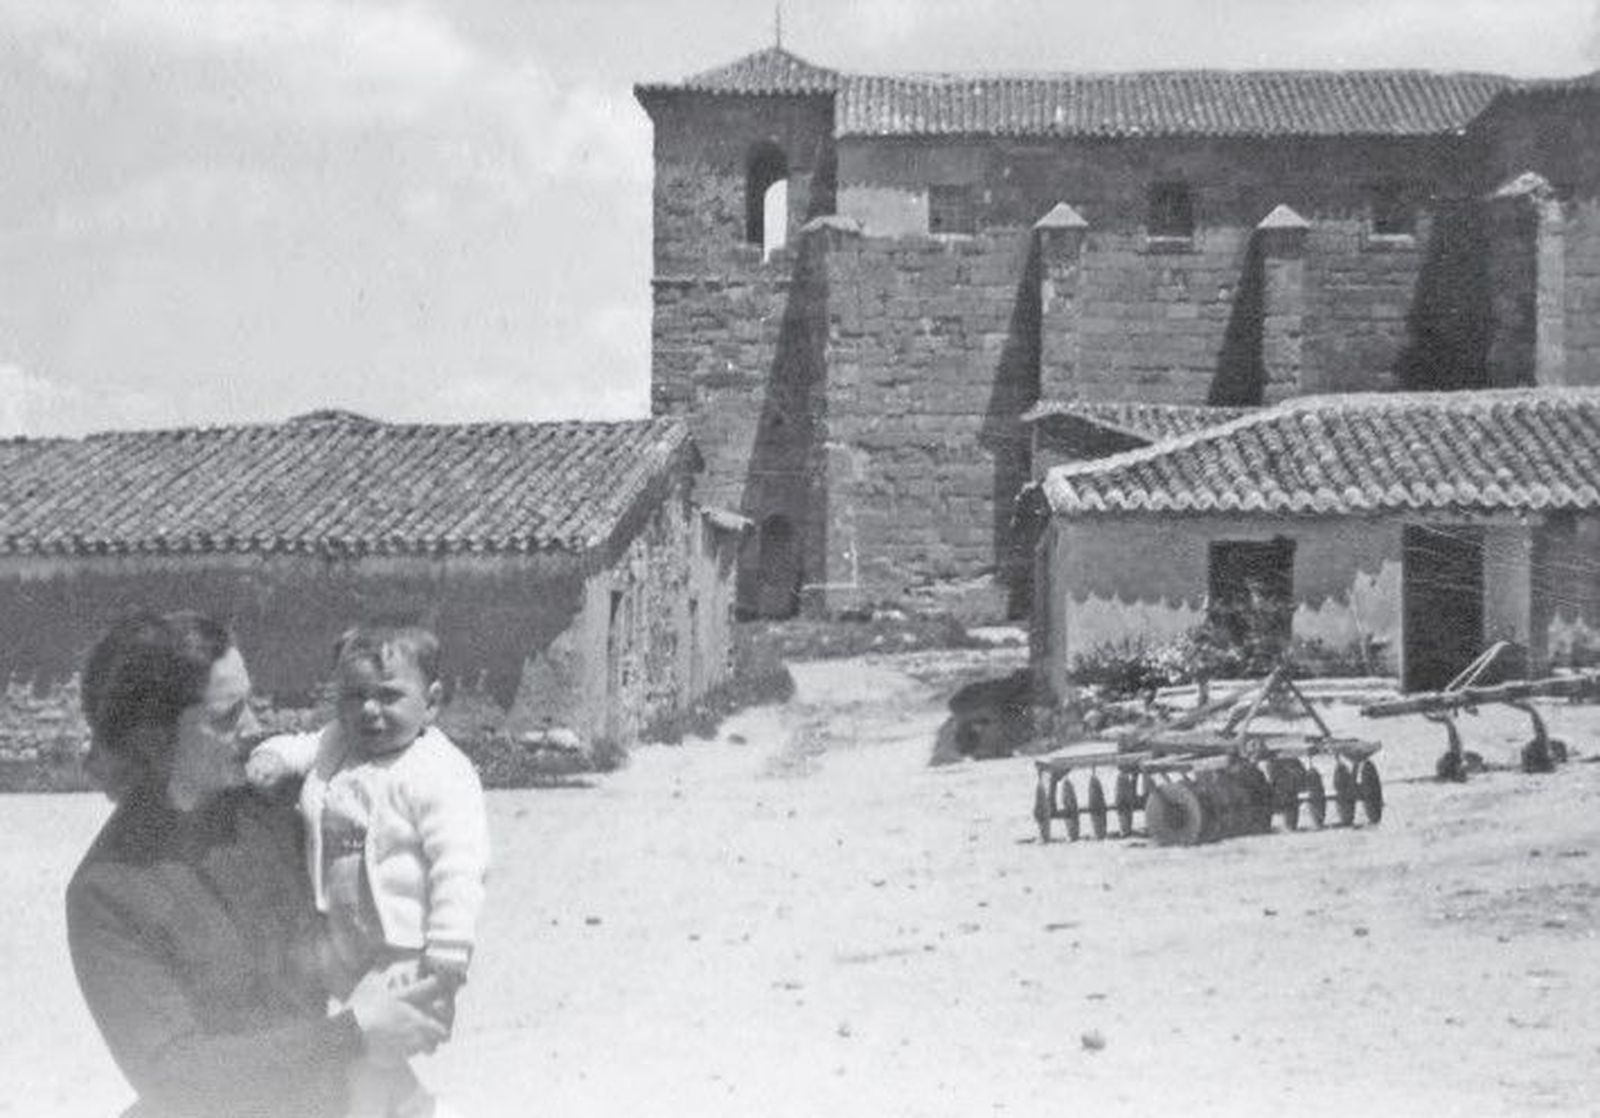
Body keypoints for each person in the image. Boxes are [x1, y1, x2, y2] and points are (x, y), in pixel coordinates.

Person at [66, 609, 452, 1118]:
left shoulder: (270, 813)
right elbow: (173, 1075)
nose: (254, 727)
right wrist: (355, 1036)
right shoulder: (107, 892)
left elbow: (343, 941)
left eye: (249, 704)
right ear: (154, 738)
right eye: (227, 716)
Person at [249, 624, 490, 1118]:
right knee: (356, 1048)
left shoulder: (439, 771)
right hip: (338, 942)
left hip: (398, 951)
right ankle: (412, 1107)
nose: (370, 711)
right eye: (354, 696)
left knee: (367, 1050)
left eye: (389, 696)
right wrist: (271, 756)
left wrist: (448, 946)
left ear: (433, 702)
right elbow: (302, 745)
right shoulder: (337, 743)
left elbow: (459, 864)